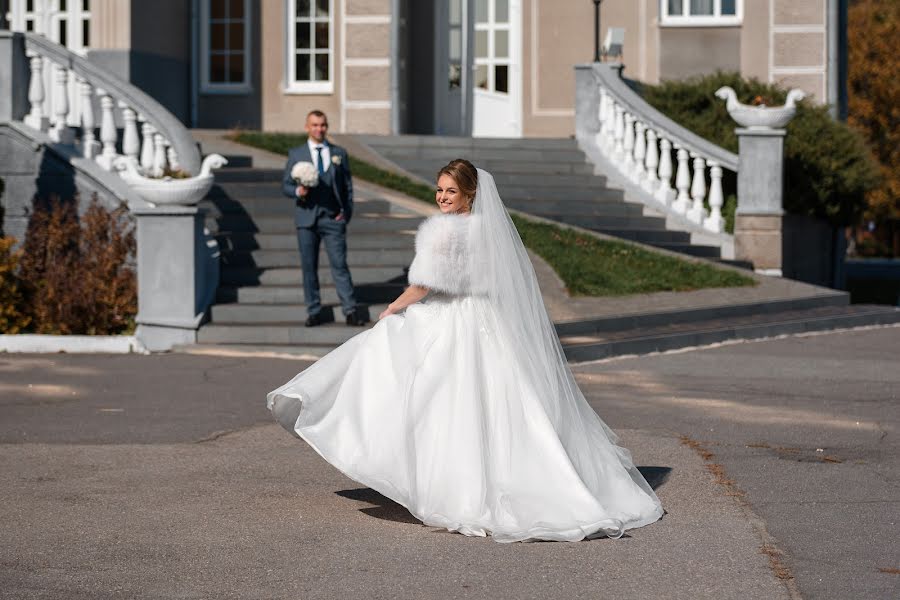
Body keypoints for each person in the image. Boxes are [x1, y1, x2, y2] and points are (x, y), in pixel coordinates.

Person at [267, 159, 663, 542]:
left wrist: (392, 308)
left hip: (452, 320)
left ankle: (447, 484)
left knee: (423, 390)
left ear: (469, 195)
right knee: (498, 405)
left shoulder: (445, 232)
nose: (441, 197)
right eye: (439, 189)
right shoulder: (487, 231)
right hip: (487, 322)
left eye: (450, 191)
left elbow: (424, 285)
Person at [281, 110, 365, 327]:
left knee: (339, 264)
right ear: (307, 127)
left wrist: (346, 213)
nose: (319, 129)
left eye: (323, 125)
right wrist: (298, 191)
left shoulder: (339, 153)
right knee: (309, 267)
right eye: (315, 125)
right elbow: (285, 185)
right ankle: (314, 310)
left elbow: (347, 186)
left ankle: (350, 309)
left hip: (332, 219)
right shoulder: (296, 154)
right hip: (306, 219)